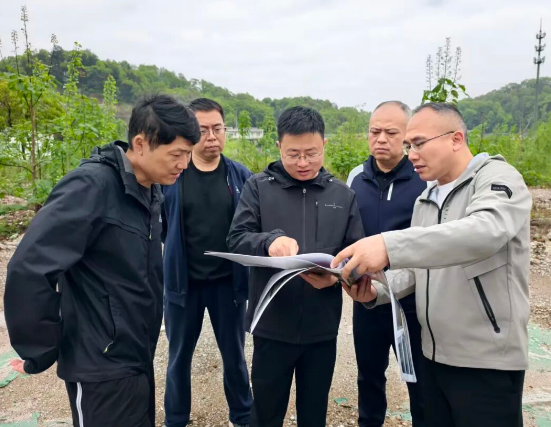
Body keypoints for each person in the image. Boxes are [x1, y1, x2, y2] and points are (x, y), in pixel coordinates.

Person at [4, 94, 200, 427]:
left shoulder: (149, 189)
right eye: (177, 154)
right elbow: (30, 267)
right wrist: (43, 347)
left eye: (188, 154)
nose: (184, 164)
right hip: (99, 365)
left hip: (136, 356)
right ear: (141, 144)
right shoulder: (92, 186)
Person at [336, 103, 531, 427]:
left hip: (486, 361)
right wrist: (376, 291)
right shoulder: (427, 199)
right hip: (432, 355)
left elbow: (484, 232)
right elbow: (417, 270)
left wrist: (388, 245)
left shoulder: (496, 178)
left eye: (419, 143)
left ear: (455, 139)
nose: (411, 154)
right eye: (409, 145)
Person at [227, 106, 365, 427]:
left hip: (321, 328)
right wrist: (269, 241)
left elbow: (356, 253)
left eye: (311, 153)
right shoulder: (258, 187)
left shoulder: (342, 195)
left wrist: (337, 278)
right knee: (266, 412)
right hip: (272, 326)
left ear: (324, 145)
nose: (303, 162)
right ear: (279, 147)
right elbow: (237, 238)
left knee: (314, 413)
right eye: (293, 154)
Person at [162, 98, 253, 427]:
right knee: (178, 357)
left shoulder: (240, 176)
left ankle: (243, 416)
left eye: (218, 128)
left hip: (228, 285)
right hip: (183, 285)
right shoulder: (173, 176)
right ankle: (176, 419)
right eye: (203, 130)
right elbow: (162, 227)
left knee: (235, 355)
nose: (212, 136)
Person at [346, 101, 426, 427]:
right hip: (367, 297)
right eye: (374, 131)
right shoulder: (355, 177)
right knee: (369, 375)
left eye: (391, 132)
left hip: (412, 301)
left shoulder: (424, 180)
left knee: (420, 378)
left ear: (407, 136)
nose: (381, 139)